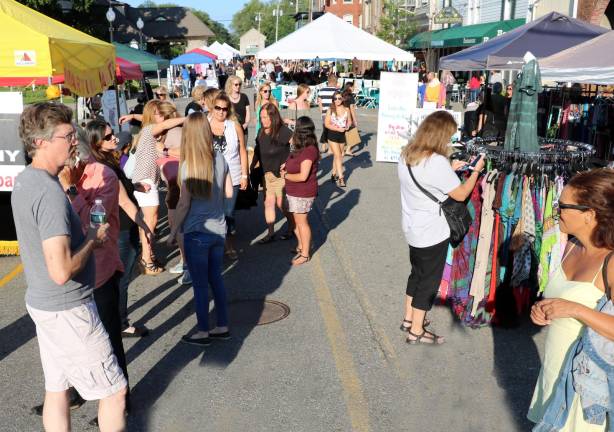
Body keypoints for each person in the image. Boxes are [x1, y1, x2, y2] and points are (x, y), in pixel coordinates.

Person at [12, 102, 127, 431]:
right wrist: (92, 238)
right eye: (67, 135)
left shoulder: (25, 181)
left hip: (44, 305)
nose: (75, 140)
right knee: (115, 392)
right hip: (68, 309)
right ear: (41, 142)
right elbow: (61, 271)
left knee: (57, 390)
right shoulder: (47, 193)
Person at [529, 169, 614, 431]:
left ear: (589, 214)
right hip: (555, 375)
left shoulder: (610, 262)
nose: (557, 211)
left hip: (587, 389)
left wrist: (574, 308)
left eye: (563, 206)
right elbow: (561, 301)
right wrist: (541, 309)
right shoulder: (572, 246)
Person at [398, 111, 484, 345]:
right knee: (429, 281)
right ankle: (416, 330)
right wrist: (475, 171)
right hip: (431, 231)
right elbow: (461, 193)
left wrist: (451, 168)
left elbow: (427, 181)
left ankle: (408, 318)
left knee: (416, 273)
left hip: (411, 226)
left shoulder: (407, 154)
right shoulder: (436, 162)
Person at [168, 112, 233, 346]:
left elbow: (183, 204)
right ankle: (222, 325)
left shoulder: (188, 166)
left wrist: (173, 231)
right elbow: (228, 193)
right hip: (219, 230)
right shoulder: (220, 158)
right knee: (216, 279)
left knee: (199, 285)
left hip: (197, 231)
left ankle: (203, 330)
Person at [83, 120, 153, 338]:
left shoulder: (106, 161)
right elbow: (123, 201)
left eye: (112, 134)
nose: (114, 138)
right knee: (120, 277)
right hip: (120, 228)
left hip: (120, 226)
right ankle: (120, 322)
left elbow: (122, 189)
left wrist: (135, 186)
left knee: (116, 277)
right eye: (107, 137)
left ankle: (114, 320)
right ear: (95, 143)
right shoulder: (102, 167)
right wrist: (144, 225)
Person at [120, 100, 185, 275]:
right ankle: (147, 260)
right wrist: (187, 118)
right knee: (150, 220)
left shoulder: (146, 129)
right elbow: (162, 122)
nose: (162, 116)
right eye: (157, 113)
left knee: (147, 221)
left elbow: (152, 118)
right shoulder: (149, 130)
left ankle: (148, 256)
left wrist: (133, 115)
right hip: (146, 180)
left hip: (145, 179)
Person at [208, 92, 248, 259]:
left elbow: (242, 150)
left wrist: (245, 175)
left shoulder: (234, 125)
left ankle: (228, 245)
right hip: (211, 176)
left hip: (234, 173)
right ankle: (216, 242)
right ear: (213, 107)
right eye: (217, 108)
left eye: (224, 109)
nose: (221, 112)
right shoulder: (205, 124)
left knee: (228, 212)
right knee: (213, 212)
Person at [252, 103, 294, 243]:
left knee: (281, 204)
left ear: (273, 117)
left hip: (280, 174)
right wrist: (251, 166)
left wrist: (288, 161)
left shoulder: (282, 131)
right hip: (266, 174)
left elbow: (297, 146)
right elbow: (258, 151)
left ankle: (292, 226)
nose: (262, 120)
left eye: (265, 117)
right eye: (261, 117)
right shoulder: (261, 132)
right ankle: (270, 233)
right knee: (268, 203)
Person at [280, 116, 319, 266]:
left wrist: (286, 175)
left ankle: (305, 253)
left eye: (295, 128)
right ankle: (302, 246)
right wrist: (286, 164)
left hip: (303, 191)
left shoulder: (309, 150)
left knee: (302, 223)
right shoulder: (301, 146)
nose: (293, 131)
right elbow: (293, 159)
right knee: (297, 221)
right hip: (295, 190)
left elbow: (303, 176)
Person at [325, 90, 351, 187]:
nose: (337, 100)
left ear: (342, 99)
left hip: (342, 134)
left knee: (338, 156)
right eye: (335, 99)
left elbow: (349, 121)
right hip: (332, 135)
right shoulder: (330, 109)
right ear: (333, 100)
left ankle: (333, 174)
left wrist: (347, 126)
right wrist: (337, 128)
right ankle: (341, 178)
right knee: (339, 155)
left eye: (339, 98)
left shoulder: (347, 109)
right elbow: (326, 124)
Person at [225, 75, 251, 141]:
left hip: (243, 129)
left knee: (243, 149)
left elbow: (248, 112)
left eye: (240, 84)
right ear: (230, 85)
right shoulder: (226, 98)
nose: (238, 86)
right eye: (236, 84)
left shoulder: (244, 97)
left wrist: (246, 124)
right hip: (230, 131)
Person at [317, 74, 338, 153]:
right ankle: (330, 148)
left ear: (328, 80)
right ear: (335, 81)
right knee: (332, 131)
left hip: (324, 113)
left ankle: (323, 146)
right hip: (333, 113)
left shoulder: (321, 90)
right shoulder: (337, 91)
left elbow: (320, 103)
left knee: (325, 129)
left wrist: (322, 112)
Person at [342, 82, 359, 156]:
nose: (354, 88)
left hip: (342, 115)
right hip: (349, 116)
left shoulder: (342, 94)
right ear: (350, 87)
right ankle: (348, 150)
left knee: (344, 133)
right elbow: (352, 109)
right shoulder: (350, 96)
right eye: (353, 87)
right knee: (353, 133)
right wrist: (354, 119)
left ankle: (342, 150)